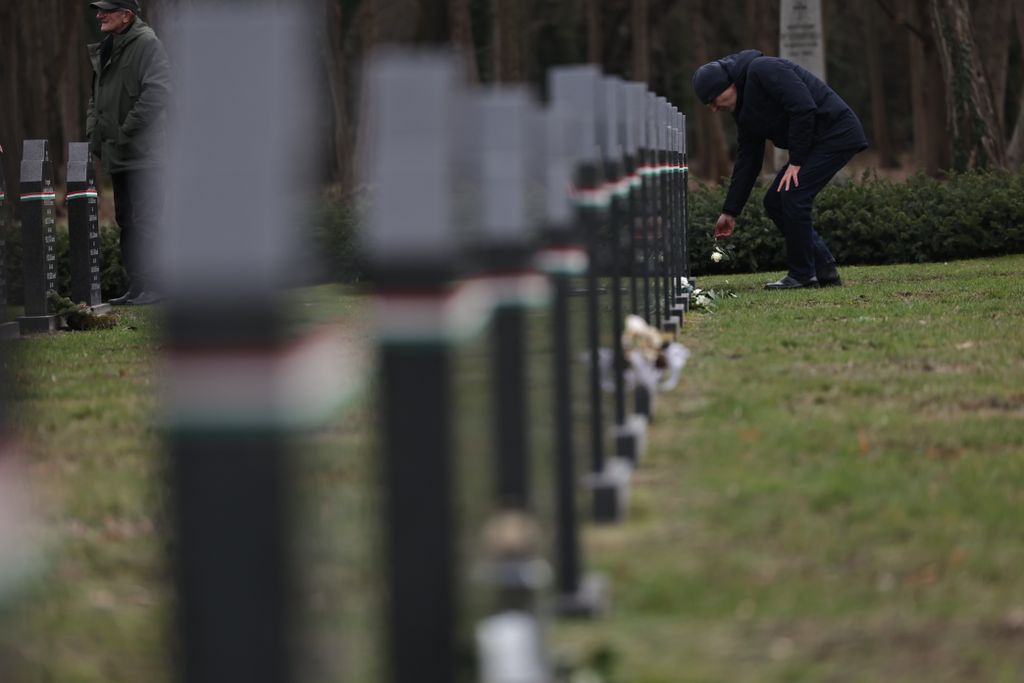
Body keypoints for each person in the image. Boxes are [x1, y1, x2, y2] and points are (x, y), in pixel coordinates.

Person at [692, 50, 867, 289]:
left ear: (729, 84)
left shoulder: (764, 69)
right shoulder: (743, 112)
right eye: (708, 105)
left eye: (713, 99)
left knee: (793, 194)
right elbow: (748, 160)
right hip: (815, 142)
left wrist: (795, 161)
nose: (713, 108)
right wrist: (730, 211)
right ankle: (824, 270)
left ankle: (803, 275)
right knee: (774, 201)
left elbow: (804, 107)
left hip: (836, 133)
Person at [86, 0, 171, 305]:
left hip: (144, 154)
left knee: (148, 219)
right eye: (99, 10)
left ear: (127, 15)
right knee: (127, 221)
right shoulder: (109, 46)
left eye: (107, 10)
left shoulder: (147, 43)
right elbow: (95, 97)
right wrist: (93, 134)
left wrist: (124, 131)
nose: (99, 15)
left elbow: (158, 91)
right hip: (118, 153)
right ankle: (137, 287)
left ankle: (157, 287)